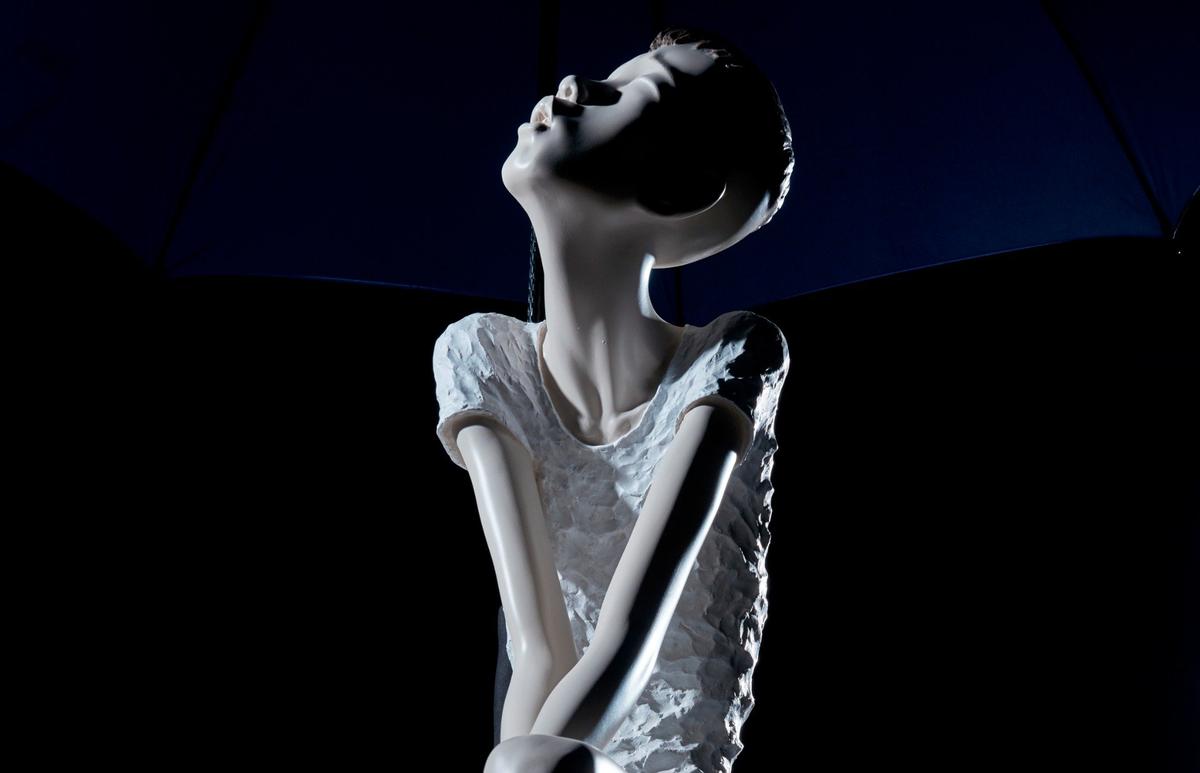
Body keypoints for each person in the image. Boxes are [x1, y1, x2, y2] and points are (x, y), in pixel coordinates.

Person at [433, 26, 794, 773]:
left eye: (633, 94)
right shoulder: (481, 355)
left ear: (681, 186)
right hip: (546, 747)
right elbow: (539, 647)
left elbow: (632, 638)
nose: (576, 84)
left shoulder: (731, 357)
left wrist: (528, 763)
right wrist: (522, 761)